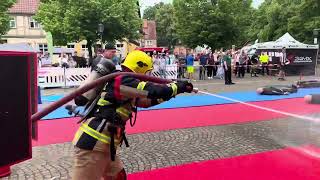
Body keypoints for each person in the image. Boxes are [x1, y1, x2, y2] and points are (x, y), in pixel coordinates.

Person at [71, 50, 194, 180]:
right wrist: (176, 87)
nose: (148, 75)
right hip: (94, 145)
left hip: (105, 145)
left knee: (118, 177)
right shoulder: (122, 81)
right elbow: (151, 90)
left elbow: (145, 101)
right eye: (147, 71)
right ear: (139, 67)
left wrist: (173, 93)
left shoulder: (124, 83)